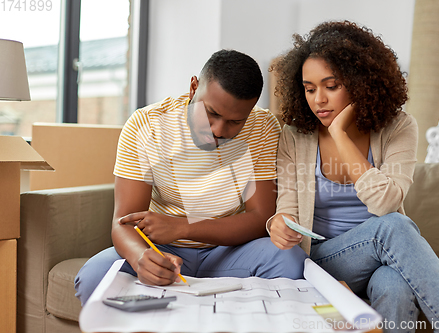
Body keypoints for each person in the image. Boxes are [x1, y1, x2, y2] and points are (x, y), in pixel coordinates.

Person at [268, 21, 439, 333]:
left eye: (331, 87)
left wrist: (339, 135)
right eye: (310, 89)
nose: (318, 100)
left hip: (383, 258)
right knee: (394, 227)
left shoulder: (399, 128)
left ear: (361, 83)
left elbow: (386, 202)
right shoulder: (295, 136)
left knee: (395, 284)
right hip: (325, 260)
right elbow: (286, 209)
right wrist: (278, 223)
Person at [75, 49, 308, 305]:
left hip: (233, 251)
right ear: (194, 87)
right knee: (95, 277)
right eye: (212, 113)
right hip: (163, 249)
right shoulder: (146, 125)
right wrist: (141, 256)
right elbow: (124, 221)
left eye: (235, 122)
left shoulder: (263, 128)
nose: (218, 131)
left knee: (290, 261)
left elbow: (260, 218)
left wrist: (183, 227)